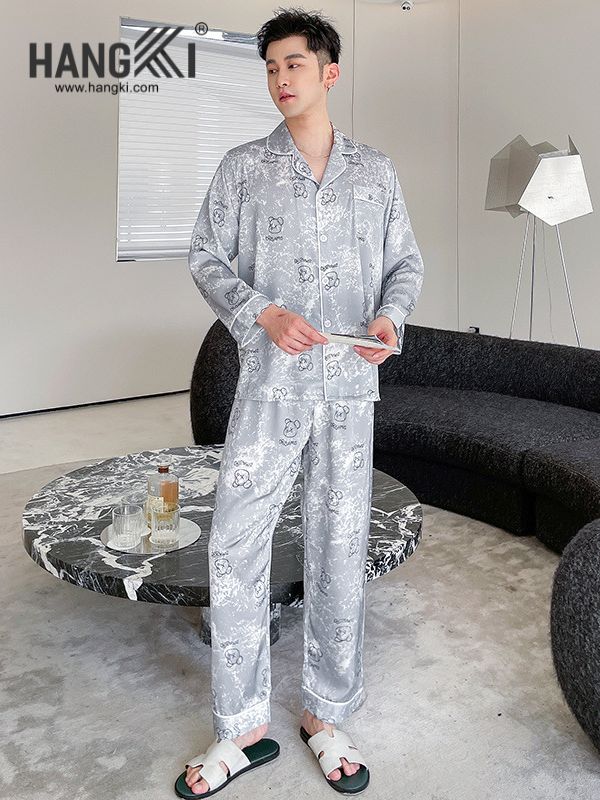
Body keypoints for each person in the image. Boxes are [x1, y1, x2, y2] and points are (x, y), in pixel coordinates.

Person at [178, 6, 424, 797]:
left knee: (339, 547)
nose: (281, 78)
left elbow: (405, 265)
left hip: (350, 389)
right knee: (234, 541)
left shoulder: (376, 173)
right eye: (271, 67)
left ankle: (326, 711)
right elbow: (205, 256)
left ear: (329, 72)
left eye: (294, 64)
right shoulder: (243, 169)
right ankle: (242, 726)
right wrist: (263, 313)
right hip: (272, 388)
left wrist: (390, 319)